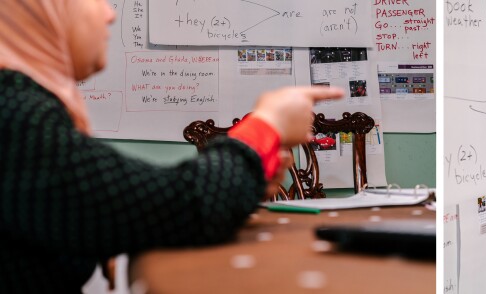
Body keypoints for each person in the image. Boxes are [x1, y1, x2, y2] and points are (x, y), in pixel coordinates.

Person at [0, 0, 343, 292]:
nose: (110, 14)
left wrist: (247, 174)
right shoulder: (14, 112)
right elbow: (176, 203)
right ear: (42, 12)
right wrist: (263, 129)